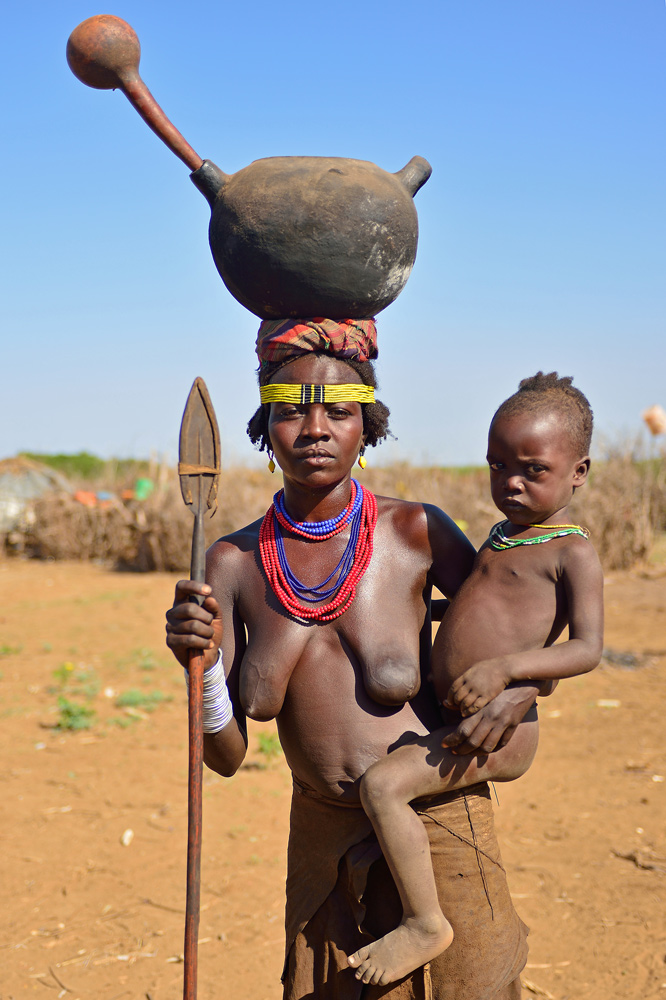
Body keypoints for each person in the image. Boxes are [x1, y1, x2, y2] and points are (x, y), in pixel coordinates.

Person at [165, 318, 548, 1000]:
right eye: (291, 412)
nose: (315, 429)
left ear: (367, 429)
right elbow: (225, 756)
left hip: (440, 818)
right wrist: (197, 672)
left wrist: (521, 689)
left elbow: (521, 620)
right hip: (322, 839)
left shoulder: (417, 531)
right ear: (265, 430)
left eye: (340, 412)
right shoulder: (231, 562)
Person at [347, 372, 604, 987]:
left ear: (579, 472)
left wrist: (510, 671)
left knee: (383, 788)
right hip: (463, 714)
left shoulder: (572, 552)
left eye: (532, 469)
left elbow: (588, 649)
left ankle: (425, 922)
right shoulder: (500, 537)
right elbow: (479, 610)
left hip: (498, 731)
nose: (510, 482)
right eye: (497, 465)